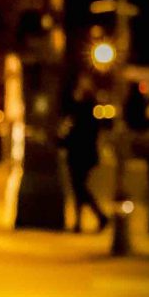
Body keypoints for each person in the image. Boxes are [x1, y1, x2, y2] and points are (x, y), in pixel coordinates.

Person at [60, 81, 108, 233]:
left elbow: (74, 136)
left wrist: (62, 142)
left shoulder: (80, 114)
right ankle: (81, 221)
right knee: (79, 189)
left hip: (78, 156)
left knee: (79, 189)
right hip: (85, 156)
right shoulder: (90, 114)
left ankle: (99, 216)